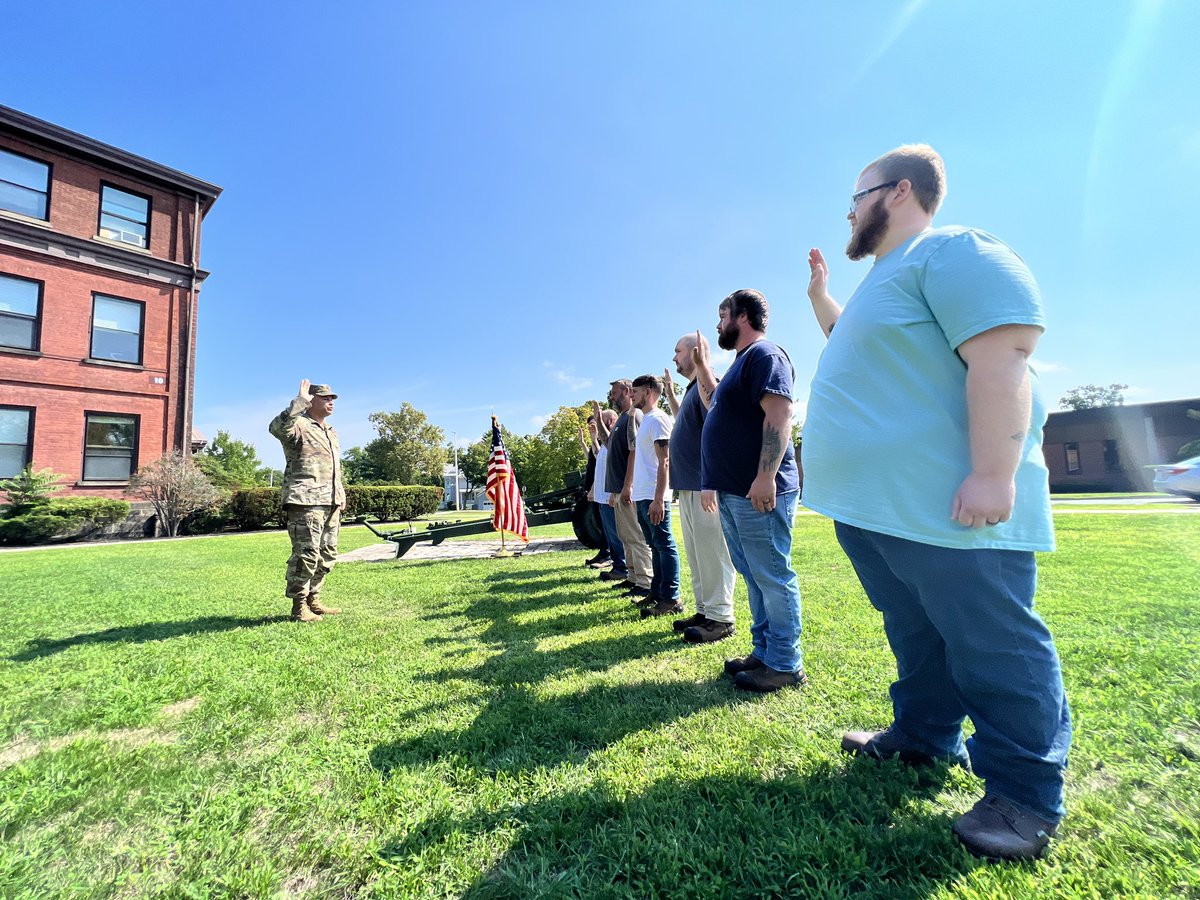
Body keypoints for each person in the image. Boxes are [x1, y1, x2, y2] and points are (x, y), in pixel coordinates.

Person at [802, 143, 1071, 861]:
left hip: (951, 507)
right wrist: (823, 299)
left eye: (856, 198)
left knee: (993, 645)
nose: (850, 213)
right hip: (879, 512)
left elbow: (1003, 353)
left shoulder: (950, 251)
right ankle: (924, 738)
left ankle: (1025, 796)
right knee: (916, 633)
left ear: (897, 192)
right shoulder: (882, 284)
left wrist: (993, 472)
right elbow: (859, 349)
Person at [692, 291, 804, 692]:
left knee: (772, 575)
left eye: (722, 316)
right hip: (734, 491)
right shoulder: (740, 364)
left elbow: (780, 413)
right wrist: (704, 365)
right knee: (755, 576)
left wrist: (765, 476)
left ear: (742, 315)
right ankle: (764, 653)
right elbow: (714, 405)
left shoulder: (765, 355)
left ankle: (786, 663)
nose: (719, 325)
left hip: (757, 488)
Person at [662, 335, 736, 643]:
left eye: (678, 351)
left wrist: (711, 480)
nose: (674, 357)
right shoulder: (693, 390)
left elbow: (718, 431)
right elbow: (687, 421)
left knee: (714, 553)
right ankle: (705, 611)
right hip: (690, 487)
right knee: (697, 554)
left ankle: (721, 617)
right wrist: (669, 393)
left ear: (695, 352)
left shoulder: (708, 384)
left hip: (705, 488)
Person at [268, 379, 345, 622]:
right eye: (325, 397)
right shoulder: (298, 425)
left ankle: (314, 599)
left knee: (327, 553)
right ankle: (299, 607)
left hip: (330, 501)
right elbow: (276, 428)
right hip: (305, 501)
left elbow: (335, 469)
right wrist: (299, 402)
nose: (331, 401)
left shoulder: (331, 431)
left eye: (332, 398)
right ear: (312, 400)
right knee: (306, 554)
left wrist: (339, 495)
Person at [628, 374, 682, 618]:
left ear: (649, 391)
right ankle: (657, 592)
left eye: (635, 391)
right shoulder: (646, 420)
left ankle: (671, 598)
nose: (631, 396)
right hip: (643, 495)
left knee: (664, 544)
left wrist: (660, 498)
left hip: (653, 494)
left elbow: (665, 461)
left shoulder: (659, 419)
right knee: (655, 546)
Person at [593, 380, 653, 598]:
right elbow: (609, 445)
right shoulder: (621, 420)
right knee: (626, 536)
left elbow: (634, 452)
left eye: (615, 392)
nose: (611, 396)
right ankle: (633, 577)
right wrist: (600, 422)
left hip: (629, 490)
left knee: (636, 537)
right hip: (619, 490)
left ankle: (645, 582)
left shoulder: (633, 416)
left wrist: (628, 486)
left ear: (627, 392)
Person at [589, 409, 626, 582]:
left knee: (616, 534)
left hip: (610, 496)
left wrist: (613, 493)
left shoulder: (615, 441)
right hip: (602, 497)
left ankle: (622, 567)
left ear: (610, 421)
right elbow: (598, 456)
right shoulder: (606, 444)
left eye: (600, 420)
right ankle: (617, 566)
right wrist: (592, 437)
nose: (597, 423)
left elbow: (617, 468)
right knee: (611, 535)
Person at [577, 416, 611, 569]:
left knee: (604, 525)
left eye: (594, 424)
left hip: (598, 489)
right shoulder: (598, 444)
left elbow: (600, 466)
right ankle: (603, 553)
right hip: (594, 487)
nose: (591, 427)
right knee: (599, 522)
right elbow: (590, 457)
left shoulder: (605, 442)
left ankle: (607, 554)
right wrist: (583, 442)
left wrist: (593, 489)